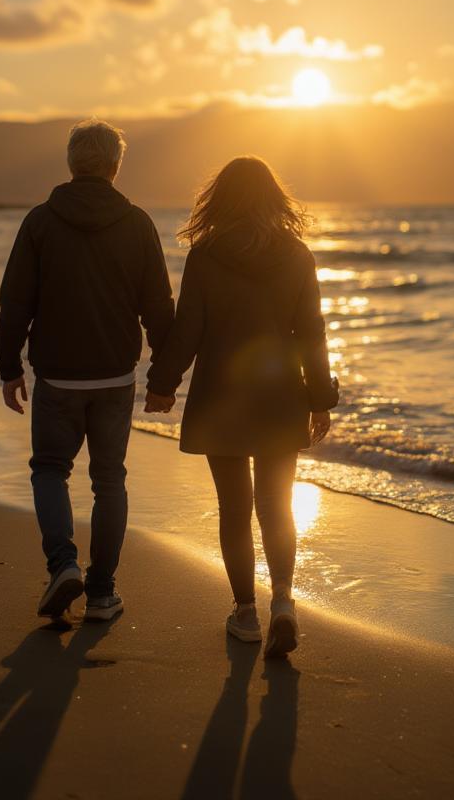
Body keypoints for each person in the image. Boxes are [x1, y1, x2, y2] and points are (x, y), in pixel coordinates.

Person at [144, 156, 338, 658]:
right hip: (281, 400)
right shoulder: (297, 255)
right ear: (275, 199)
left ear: (220, 201)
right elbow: (311, 334)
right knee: (278, 506)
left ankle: (246, 612)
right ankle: (284, 604)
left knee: (235, 509)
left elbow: (189, 328)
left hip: (220, 398)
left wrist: (163, 383)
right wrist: (320, 398)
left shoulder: (206, 256)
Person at [0, 119, 174, 622]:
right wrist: (164, 380)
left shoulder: (40, 221)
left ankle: (62, 566)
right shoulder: (136, 222)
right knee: (109, 480)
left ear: (72, 163)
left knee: (50, 471)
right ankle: (101, 594)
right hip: (115, 377)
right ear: (116, 166)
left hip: (57, 377)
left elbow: (15, 302)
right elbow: (158, 307)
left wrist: (8, 367)